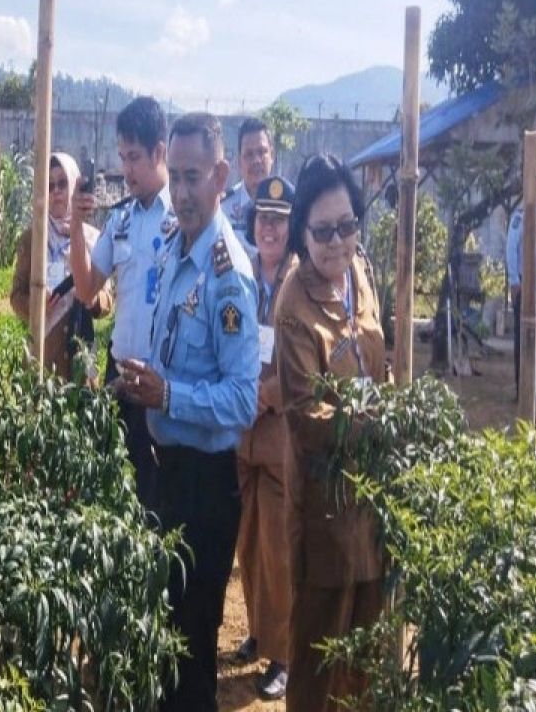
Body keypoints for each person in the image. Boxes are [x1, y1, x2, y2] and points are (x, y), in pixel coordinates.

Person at [115, 112, 259, 712]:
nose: (180, 191)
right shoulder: (177, 245)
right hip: (167, 470)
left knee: (193, 647)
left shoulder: (230, 275)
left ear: (221, 175)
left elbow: (243, 398)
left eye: (193, 176)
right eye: (173, 176)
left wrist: (169, 395)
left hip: (206, 486)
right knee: (165, 635)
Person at [274, 155, 389, 711]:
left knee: (366, 648)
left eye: (348, 226)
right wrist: (383, 424)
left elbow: (377, 362)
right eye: (323, 232)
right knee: (320, 653)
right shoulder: (293, 306)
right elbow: (306, 418)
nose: (338, 243)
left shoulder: (359, 271)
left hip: (372, 500)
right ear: (302, 232)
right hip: (324, 508)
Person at [69, 96, 176, 507]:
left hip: (161, 384)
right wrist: (78, 224)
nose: (127, 169)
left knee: (157, 502)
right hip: (121, 382)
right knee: (119, 498)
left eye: (135, 157)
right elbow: (85, 289)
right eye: (122, 157)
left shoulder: (184, 219)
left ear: (159, 152)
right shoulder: (122, 220)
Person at [233, 176, 300, 700]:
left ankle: (284, 653)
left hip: (279, 430)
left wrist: (268, 394)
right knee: (249, 539)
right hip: (242, 430)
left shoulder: (300, 282)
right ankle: (258, 629)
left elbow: (311, 362)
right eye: (262, 219)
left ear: (290, 225)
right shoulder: (243, 270)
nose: (269, 228)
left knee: (279, 546)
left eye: (278, 219)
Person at [10, 152, 113, 380]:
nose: (56, 191)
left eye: (63, 183)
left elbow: (108, 300)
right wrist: (36, 304)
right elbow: (16, 295)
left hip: (81, 356)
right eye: (50, 185)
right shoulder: (33, 238)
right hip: (43, 354)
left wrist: (93, 298)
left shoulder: (93, 239)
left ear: (75, 186)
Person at [505, 164, 536, 413]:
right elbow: (512, 250)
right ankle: (526, 388)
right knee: (527, 340)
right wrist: (514, 280)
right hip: (528, 285)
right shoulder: (524, 216)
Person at [222, 117, 275, 253]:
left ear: (272, 156)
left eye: (262, 152)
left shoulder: (287, 205)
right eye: (249, 154)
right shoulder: (223, 209)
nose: (256, 160)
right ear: (240, 161)